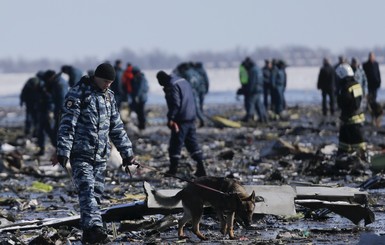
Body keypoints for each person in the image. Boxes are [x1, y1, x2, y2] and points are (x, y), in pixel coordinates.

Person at [55, 63, 137, 244]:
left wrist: (127, 153)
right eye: (105, 81)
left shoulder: (109, 97)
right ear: (96, 77)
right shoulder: (78, 93)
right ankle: (97, 229)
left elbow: (116, 127)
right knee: (87, 192)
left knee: (96, 195)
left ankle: (88, 235)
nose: (108, 85)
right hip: (81, 153)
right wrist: (63, 150)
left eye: (111, 82)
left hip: (101, 156)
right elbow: (68, 124)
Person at [156, 70, 207, 177]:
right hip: (191, 117)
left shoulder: (172, 85)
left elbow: (175, 103)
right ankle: (201, 166)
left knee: (175, 145)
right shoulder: (182, 81)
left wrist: (171, 118)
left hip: (181, 119)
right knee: (192, 143)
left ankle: (173, 170)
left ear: (161, 80)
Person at [335, 63, 366, 161]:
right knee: (346, 142)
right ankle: (348, 157)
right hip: (357, 117)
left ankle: (360, 159)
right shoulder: (357, 84)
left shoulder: (345, 88)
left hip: (349, 118)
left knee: (357, 143)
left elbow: (344, 102)